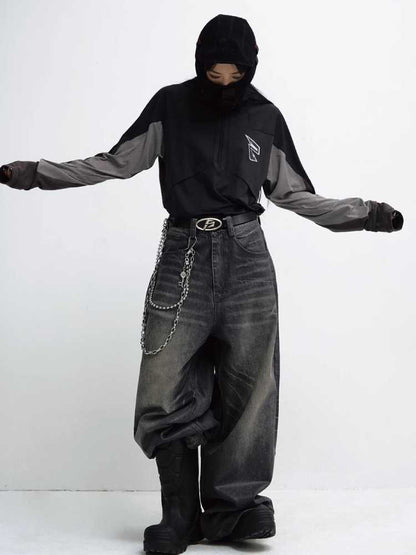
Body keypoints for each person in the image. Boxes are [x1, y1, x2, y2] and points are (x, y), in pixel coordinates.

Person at [0, 13, 404, 555]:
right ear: (199, 65)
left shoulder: (265, 116)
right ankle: (179, 516)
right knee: (163, 380)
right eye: (214, 74)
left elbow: (294, 195)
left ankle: (233, 510)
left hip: (248, 258)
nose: (224, 83)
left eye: (235, 74)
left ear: (250, 69)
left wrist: (366, 214)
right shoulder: (170, 105)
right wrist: (35, 173)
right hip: (182, 253)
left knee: (250, 384)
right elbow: (115, 163)